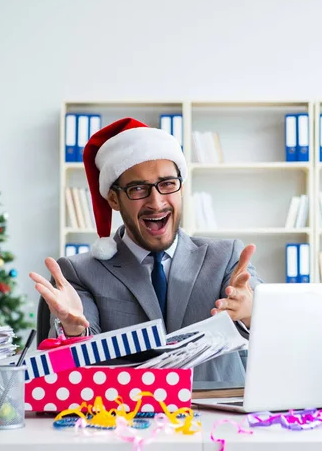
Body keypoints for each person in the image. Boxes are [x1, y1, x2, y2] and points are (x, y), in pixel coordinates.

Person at [29, 117, 263, 382]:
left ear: (181, 187)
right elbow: (73, 367)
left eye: (167, 184)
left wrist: (253, 312)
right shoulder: (78, 272)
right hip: (123, 417)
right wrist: (73, 331)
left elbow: (270, 323)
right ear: (114, 199)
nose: (156, 201)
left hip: (215, 417)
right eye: (138, 188)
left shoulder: (226, 257)